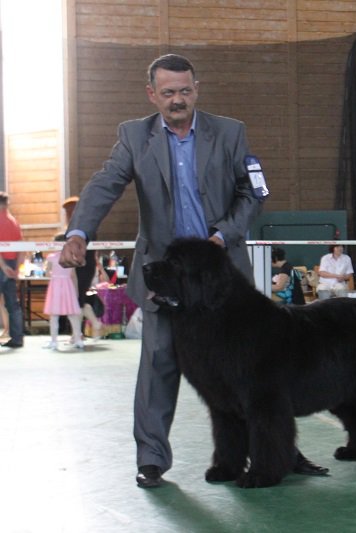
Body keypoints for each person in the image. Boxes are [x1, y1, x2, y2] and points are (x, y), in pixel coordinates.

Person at [58, 54, 326, 488]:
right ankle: (151, 459)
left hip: (223, 278)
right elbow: (105, 184)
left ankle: (280, 451)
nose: (177, 100)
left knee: (256, 370)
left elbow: (253, 192)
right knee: (160, 361)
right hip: (166, 276)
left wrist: (223, 234)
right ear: (152, 95)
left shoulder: (230, 131)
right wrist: (79, 232)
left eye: (185, 91)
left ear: (196, 89)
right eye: (168, 93)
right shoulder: (133, 136)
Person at [60, 196, 105, 340]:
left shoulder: (82, 230)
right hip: (82, 267)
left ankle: (81, 331)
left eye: (69, 212)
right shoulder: (82, 230)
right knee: (78, 300)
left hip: (81, 267)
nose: (67, 215)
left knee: (76, 300)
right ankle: (81, 331)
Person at [43, 247, 85, 350]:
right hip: (68, 286)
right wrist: (76, 291)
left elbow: (47, 273)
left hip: (55, 286)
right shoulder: (71, 257)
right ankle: (78, 340)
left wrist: (53, 273)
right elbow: (73, 276)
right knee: (72, 315)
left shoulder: (51, 257)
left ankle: (54, 342)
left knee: (54, 315)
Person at [0, 192, 25, 349]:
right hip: (11, 264)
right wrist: (16, 268)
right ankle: (17, 339)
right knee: (12, 304)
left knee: (10, 304)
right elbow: (22, 246)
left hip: (2, 264)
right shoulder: (14, 221)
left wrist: (4, 267)